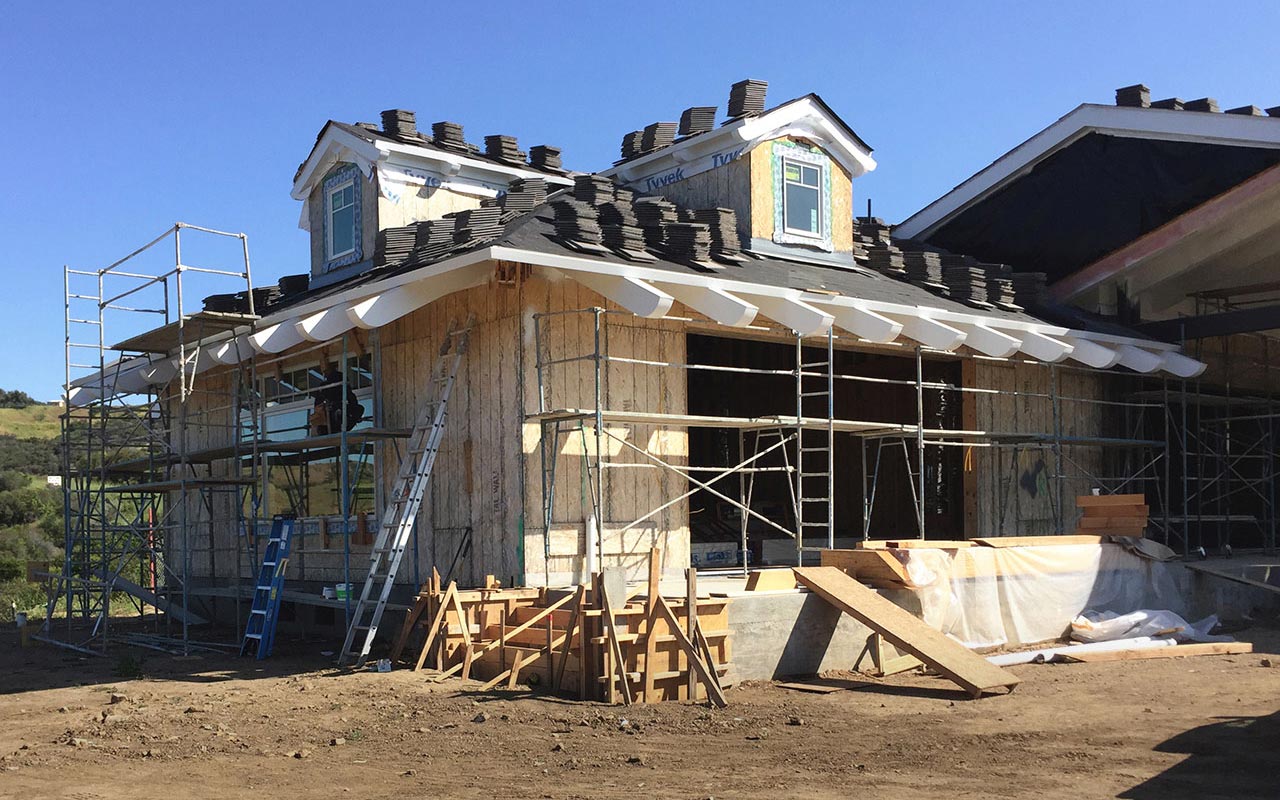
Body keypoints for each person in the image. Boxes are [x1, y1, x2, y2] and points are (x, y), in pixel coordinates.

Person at [314, 367, 364, 435]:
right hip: (333, 424)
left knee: (355, 409)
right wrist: (356, 417)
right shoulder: (328, 389)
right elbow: (354, 403)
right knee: (358, 409)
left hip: (327, 427)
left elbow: (317, 406)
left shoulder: (323, 389)